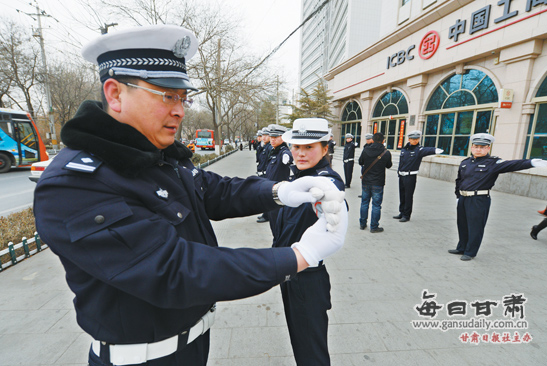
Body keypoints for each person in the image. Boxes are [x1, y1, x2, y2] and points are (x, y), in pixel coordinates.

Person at [32, 25, 347, 366]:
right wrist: (301, 255)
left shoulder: (153, 154)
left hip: (193, 346)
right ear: (115, 93)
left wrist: (281, 191)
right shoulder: (75, 183)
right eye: (167, 96)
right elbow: (176, 270)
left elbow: (212, 190)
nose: (180, 110)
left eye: (183, 97)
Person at [274, 118, 346, 366]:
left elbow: (333, 196)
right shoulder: (300, 175)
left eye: (309, 147)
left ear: (325, 148)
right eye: (296, 147)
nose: (300, 153)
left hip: (306, 278)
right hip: (291, 274)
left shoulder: (325, 181)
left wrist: (332, 201)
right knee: (302, 345)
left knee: (310, 353)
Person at [449, 133, 547, 261]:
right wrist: (458, 195)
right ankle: (461, 247)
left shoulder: (493, 163)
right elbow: (459, 180)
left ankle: (470, 252)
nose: (478, 149)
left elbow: (512, 164)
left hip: (479, 200)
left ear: (488, 148)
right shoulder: (465, 162)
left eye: (482, 147)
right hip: (463, 198)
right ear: (472, 147)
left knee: (475, 226)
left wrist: (531, 162)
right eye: (476, 146)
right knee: (462, 224)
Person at [393, 130, 443, 222]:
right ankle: (402, 212)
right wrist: (398, 173)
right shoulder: (404, 149)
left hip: (410, 176)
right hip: (402, 175)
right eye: (412, 139)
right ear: (409, 139)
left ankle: (406, 215)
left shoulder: (419, 150)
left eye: (416, 139)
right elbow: (401, 163)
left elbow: (427, 150)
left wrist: (435, 150)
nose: (415, 141)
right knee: (402, 195)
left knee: (408, 196)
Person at [358, 132, 392, 233]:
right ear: (383, 141)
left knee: (364, 203)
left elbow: (360, 162)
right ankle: (374, 226)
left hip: (366, 181)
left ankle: (362, 224)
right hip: (378, 182)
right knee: (376, 205)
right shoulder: (386, 152)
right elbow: (389, 165)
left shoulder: (366, 150)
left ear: (372, 140)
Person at [265, 124, 293, 237]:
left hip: (279, 195)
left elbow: (287, 156)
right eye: (271, 137)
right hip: (271, 192)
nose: (272, 139)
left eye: (276, 137)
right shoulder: (274, 151)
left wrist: (288, 158)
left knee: (278, 224)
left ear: (282, 138)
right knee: (273, 223)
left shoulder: (283, 151)